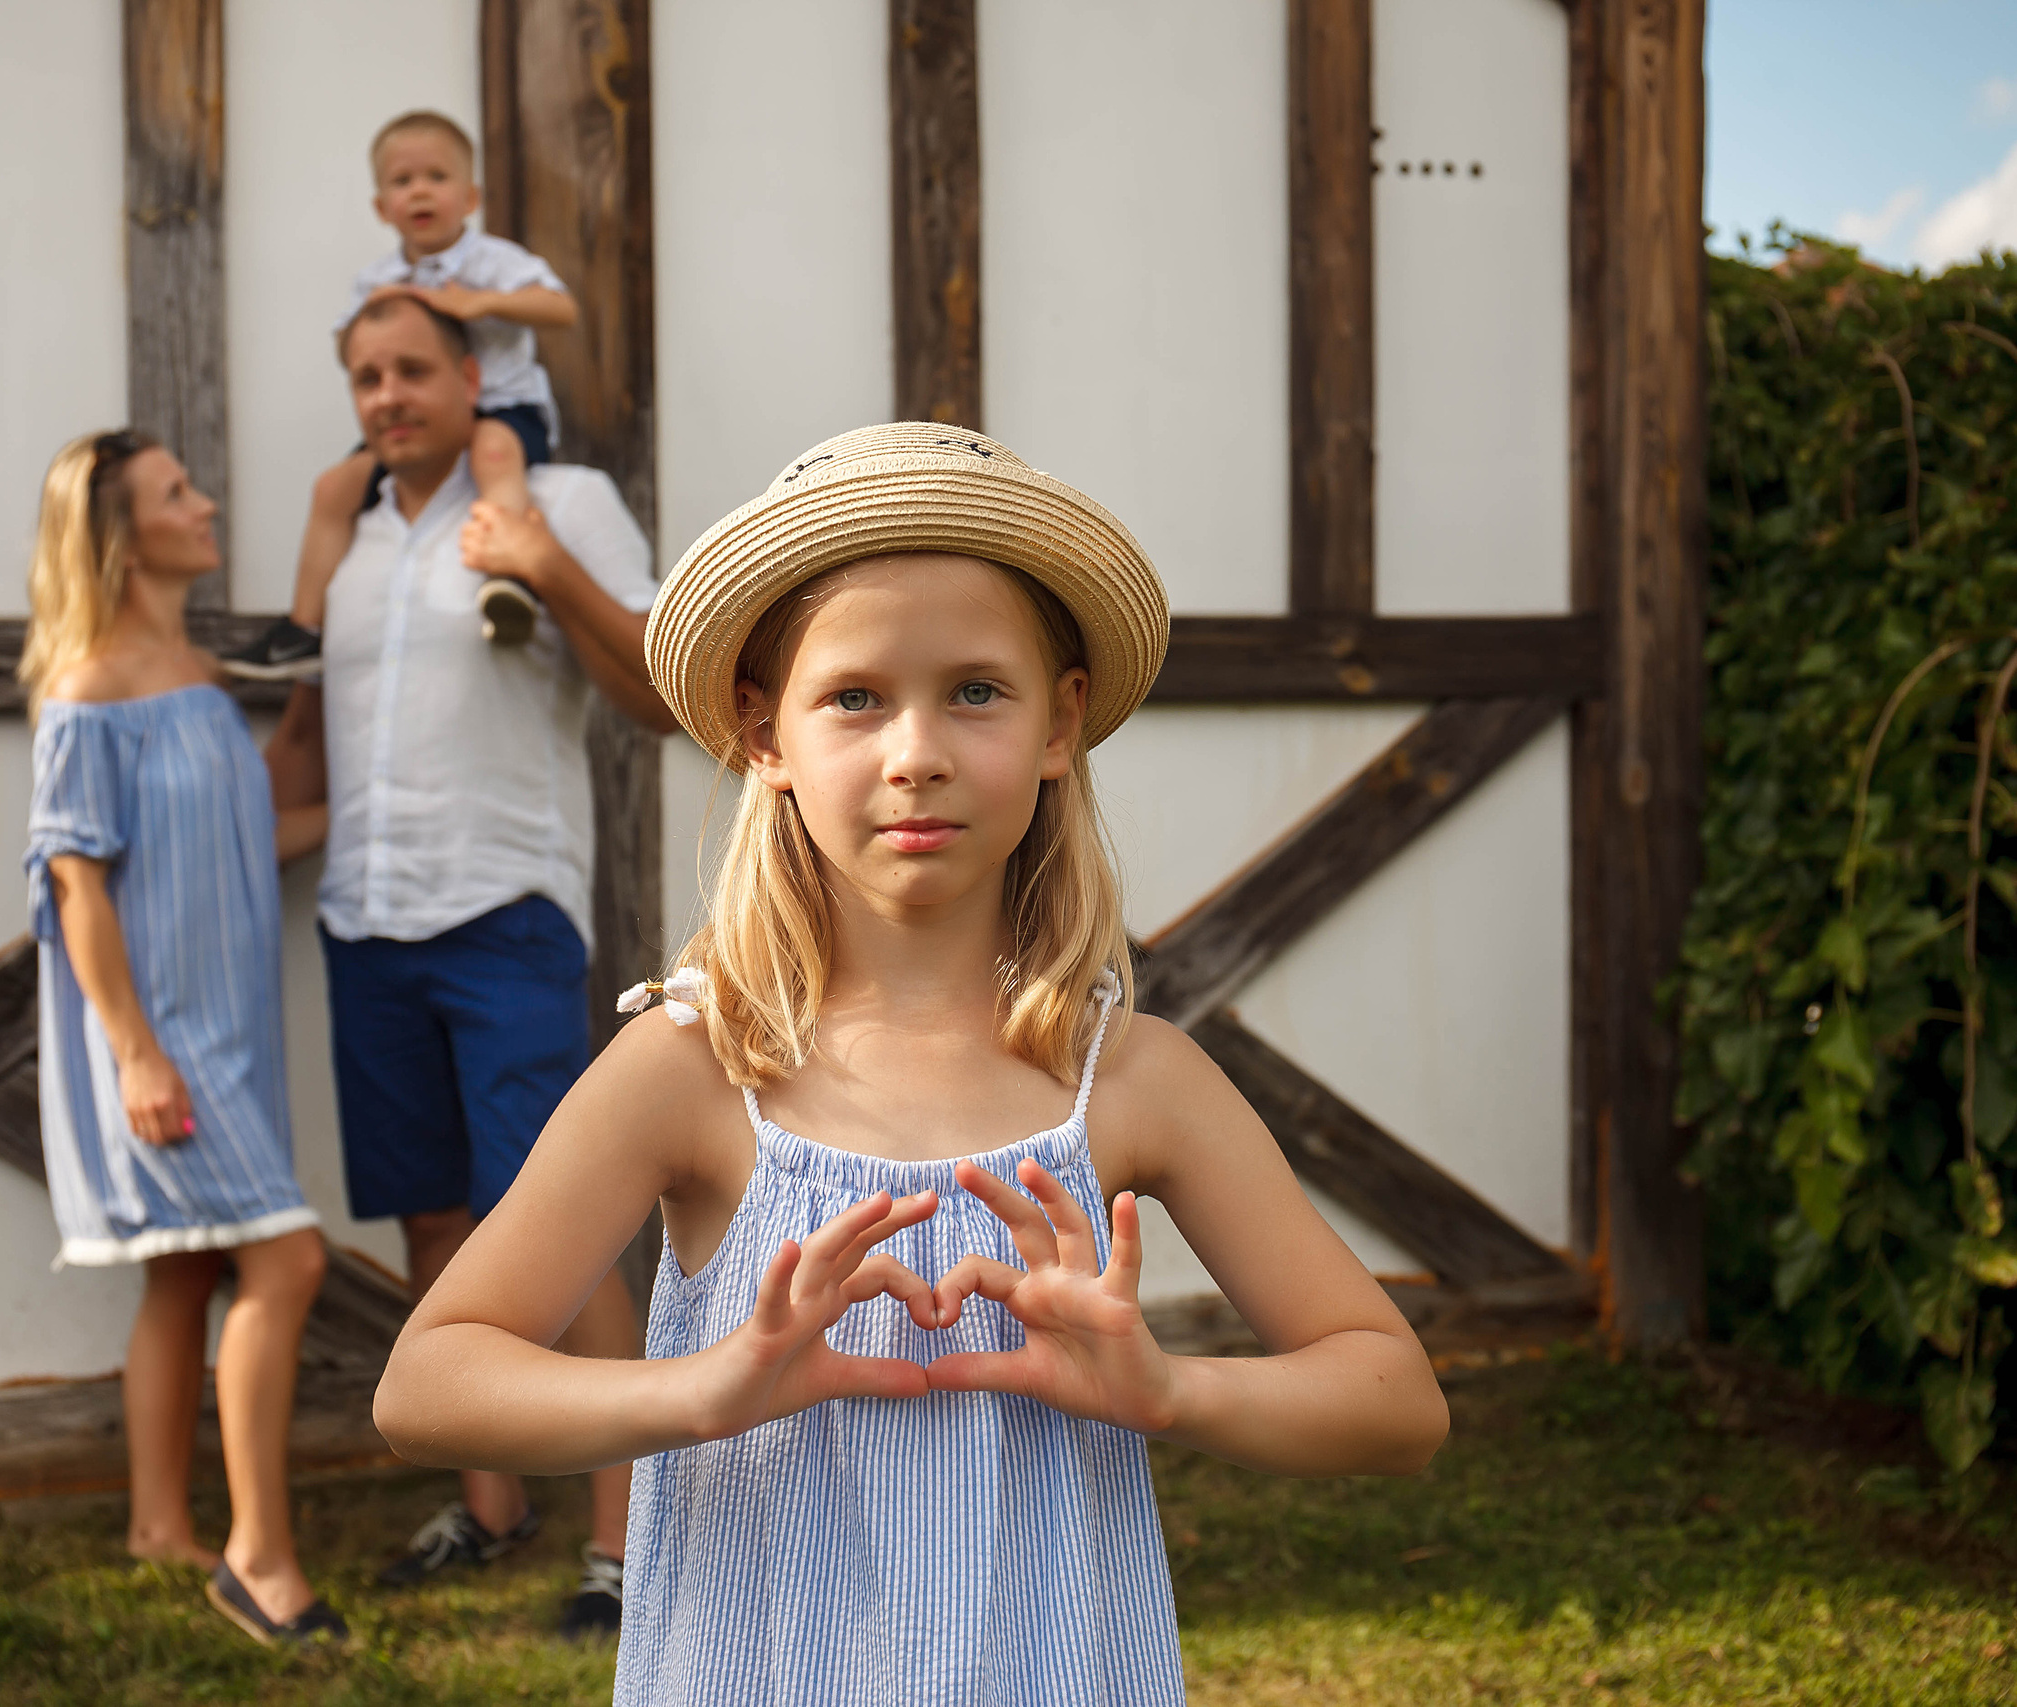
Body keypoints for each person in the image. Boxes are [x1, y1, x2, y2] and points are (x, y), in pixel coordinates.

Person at [370, 423, 1455, 1701]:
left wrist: (1166, 1389)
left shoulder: (1135, 1078)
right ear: (764, 733)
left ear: (1060, 723)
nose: (917, 752)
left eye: (976, 692)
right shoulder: (695, 1066)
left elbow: (1394, 1403)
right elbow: (428, 1385)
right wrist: (706, 1389)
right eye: (855, 697)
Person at [258, 292, 677, 1637]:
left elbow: (658, 694)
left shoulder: (559, 499)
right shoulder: (349, 530)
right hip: (366, 916)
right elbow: (307, 725)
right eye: (365, 377)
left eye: (411, 369)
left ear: (471, 375)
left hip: (506, 911)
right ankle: (490, 1506)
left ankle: (628, 1544)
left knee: (565, 1229)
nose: (387, 395)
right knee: (434, 1222)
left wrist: (542, 561)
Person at [19, 429, 346, 1649]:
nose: (204, 505)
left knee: (186, 1269)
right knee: (288, 1263)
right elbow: (75, 887)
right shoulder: (85, 693)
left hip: (230, 1026)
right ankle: (257, 1560)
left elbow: (245, 841)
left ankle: (159, 1525)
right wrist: (135, 1054)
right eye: (175, 494)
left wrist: (380, 814)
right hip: (160, 1037)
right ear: (119, 536)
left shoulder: (198, 677)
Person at [224, 108, 578, 680]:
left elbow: (560, 308)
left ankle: (509, 580)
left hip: (500, 406)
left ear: (470, 198)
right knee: (334, 487)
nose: (420, 191)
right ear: (381, 208)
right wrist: (375, 319)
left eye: (437, 177)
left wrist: (480, 303)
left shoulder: (494, 261)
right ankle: (304, 630)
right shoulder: (378, 279)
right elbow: (347, 346)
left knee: (495, 456)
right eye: (402, 181)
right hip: (420, 419)